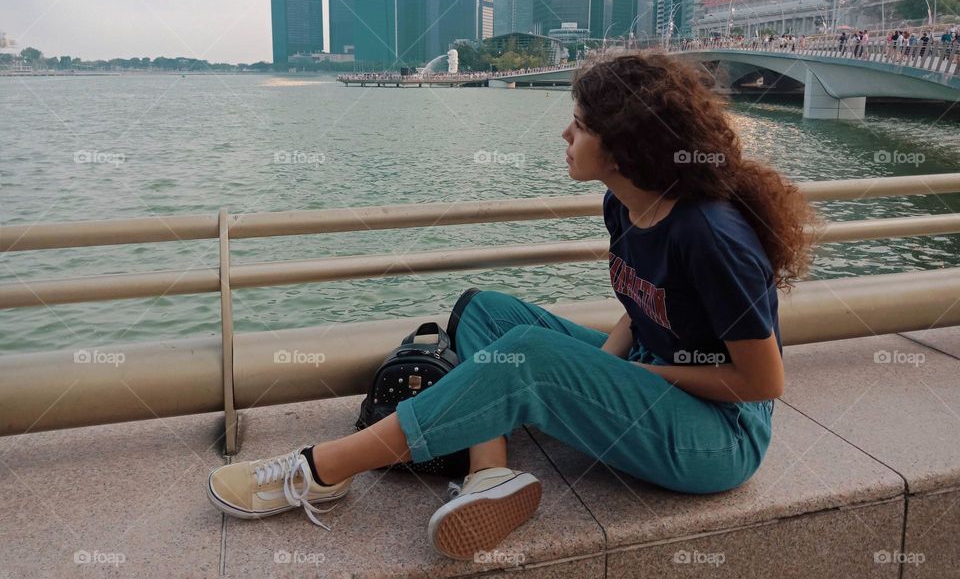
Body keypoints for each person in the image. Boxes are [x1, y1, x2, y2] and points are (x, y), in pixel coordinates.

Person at [205, 52, 816, 561]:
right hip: (656, 383)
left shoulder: (711, 235)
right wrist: (603, 368)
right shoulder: (623, 205)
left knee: (526, 355)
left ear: (626, 148)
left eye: (579, 125)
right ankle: (491, 472)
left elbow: (762, 381)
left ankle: (322, 472)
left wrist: (627, 376)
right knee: (483, 311)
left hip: (720, 440)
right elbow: (644, 302)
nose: (565, 135)